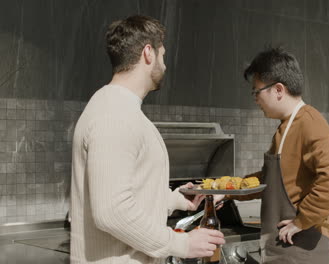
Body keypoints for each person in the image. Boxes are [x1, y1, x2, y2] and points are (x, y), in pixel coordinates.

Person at [70, 15, 224, 264]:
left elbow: (131, 192)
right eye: (162, 56)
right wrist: (181, 243)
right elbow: (112, 212)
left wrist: (177, 199)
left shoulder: (122, 110)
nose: (164, 65)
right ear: (148, 53)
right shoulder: (114, 115)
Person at [220, 47, 329, 263]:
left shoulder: (309, 123)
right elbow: (269, 180)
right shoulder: (286, 127)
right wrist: (225, 191)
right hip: (284, 249)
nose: (255, 99)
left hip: (303, 249)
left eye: (256, 91)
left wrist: (301, 221)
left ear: (278, 89)